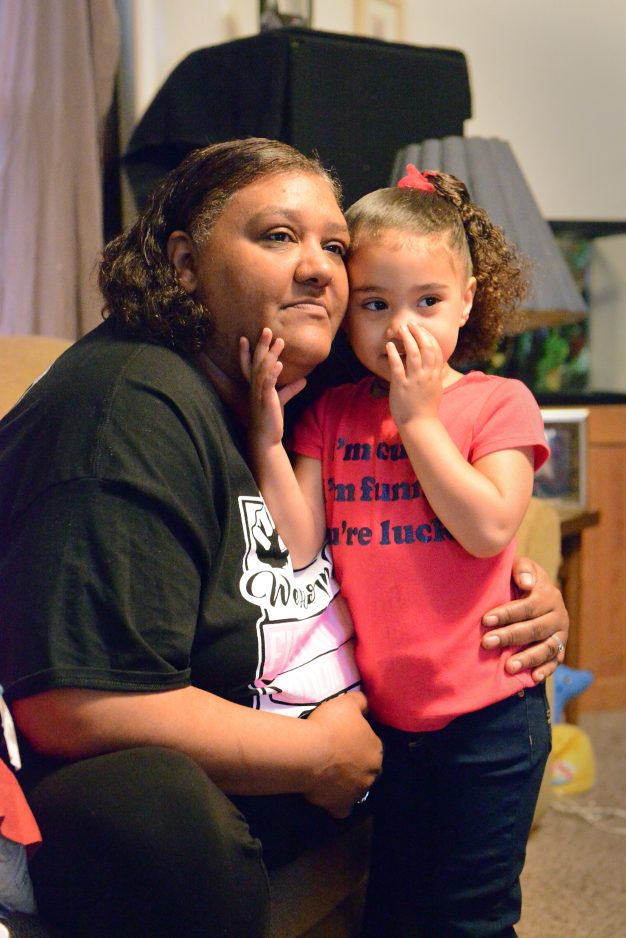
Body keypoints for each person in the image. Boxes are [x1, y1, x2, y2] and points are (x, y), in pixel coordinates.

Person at [0, 139, 567, 938]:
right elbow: (73, 700)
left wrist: (525, 590)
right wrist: (315, 757)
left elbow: (446, 511)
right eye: (277, 236)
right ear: (185, 264)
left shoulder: (312, 377)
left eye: (335, 247)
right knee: (155, 816)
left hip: (427, 731)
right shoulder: (126, 407)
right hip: (273, 770)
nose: (320, 270)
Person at [244, 164, 555, 936]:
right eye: (376, 304)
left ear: (468, 301)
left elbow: (488, 526)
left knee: (470, 915)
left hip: (490, 717)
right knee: (392, 911)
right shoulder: (334, 414)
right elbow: (297, 544)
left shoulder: (498, 402)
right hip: (387, 724)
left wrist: (418, 421)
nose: (400, 327)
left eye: (428, 302)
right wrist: (269, 441)